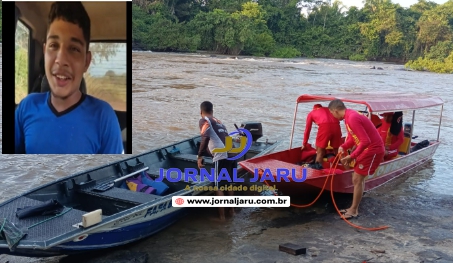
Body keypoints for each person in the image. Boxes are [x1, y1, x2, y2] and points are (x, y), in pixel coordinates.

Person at [15, 2, 123, 154]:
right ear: (45, 52)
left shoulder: (104, 117)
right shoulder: (26, 107)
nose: (61, 59)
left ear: (86, 62)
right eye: (54, 45)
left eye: (73, 49)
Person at [328, 99, 385, 219]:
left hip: (373, 149)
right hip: (366, 149)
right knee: (356, 178)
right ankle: (353, 208)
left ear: (335, 110)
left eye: (332, 113)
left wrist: (351, 156)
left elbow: (365, 141)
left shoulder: (352, 118)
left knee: (357, 179)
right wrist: (343, 146)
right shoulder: (348, 117)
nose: (332, 116)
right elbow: (354, 138)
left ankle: (353, 210)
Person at [197, 101, 236, 221]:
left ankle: (222, 218)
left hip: (221, 155)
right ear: (212, 111)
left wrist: (200, 156)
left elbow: (205, 137)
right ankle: (232, 211)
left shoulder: (204, 120)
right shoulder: (219, 121)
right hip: (232, 154)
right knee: (229, 184)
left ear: (201, 112)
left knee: (218, 187)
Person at [302, 104, 342, 170]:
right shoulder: (328, 109)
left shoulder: (311, 113)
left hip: (324, 127)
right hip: (336, 126)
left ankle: (317, 170)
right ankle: (345, 169)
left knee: (320, 152)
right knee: (338, 151)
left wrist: (304, 143)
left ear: (314, 108)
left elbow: (307, 129)